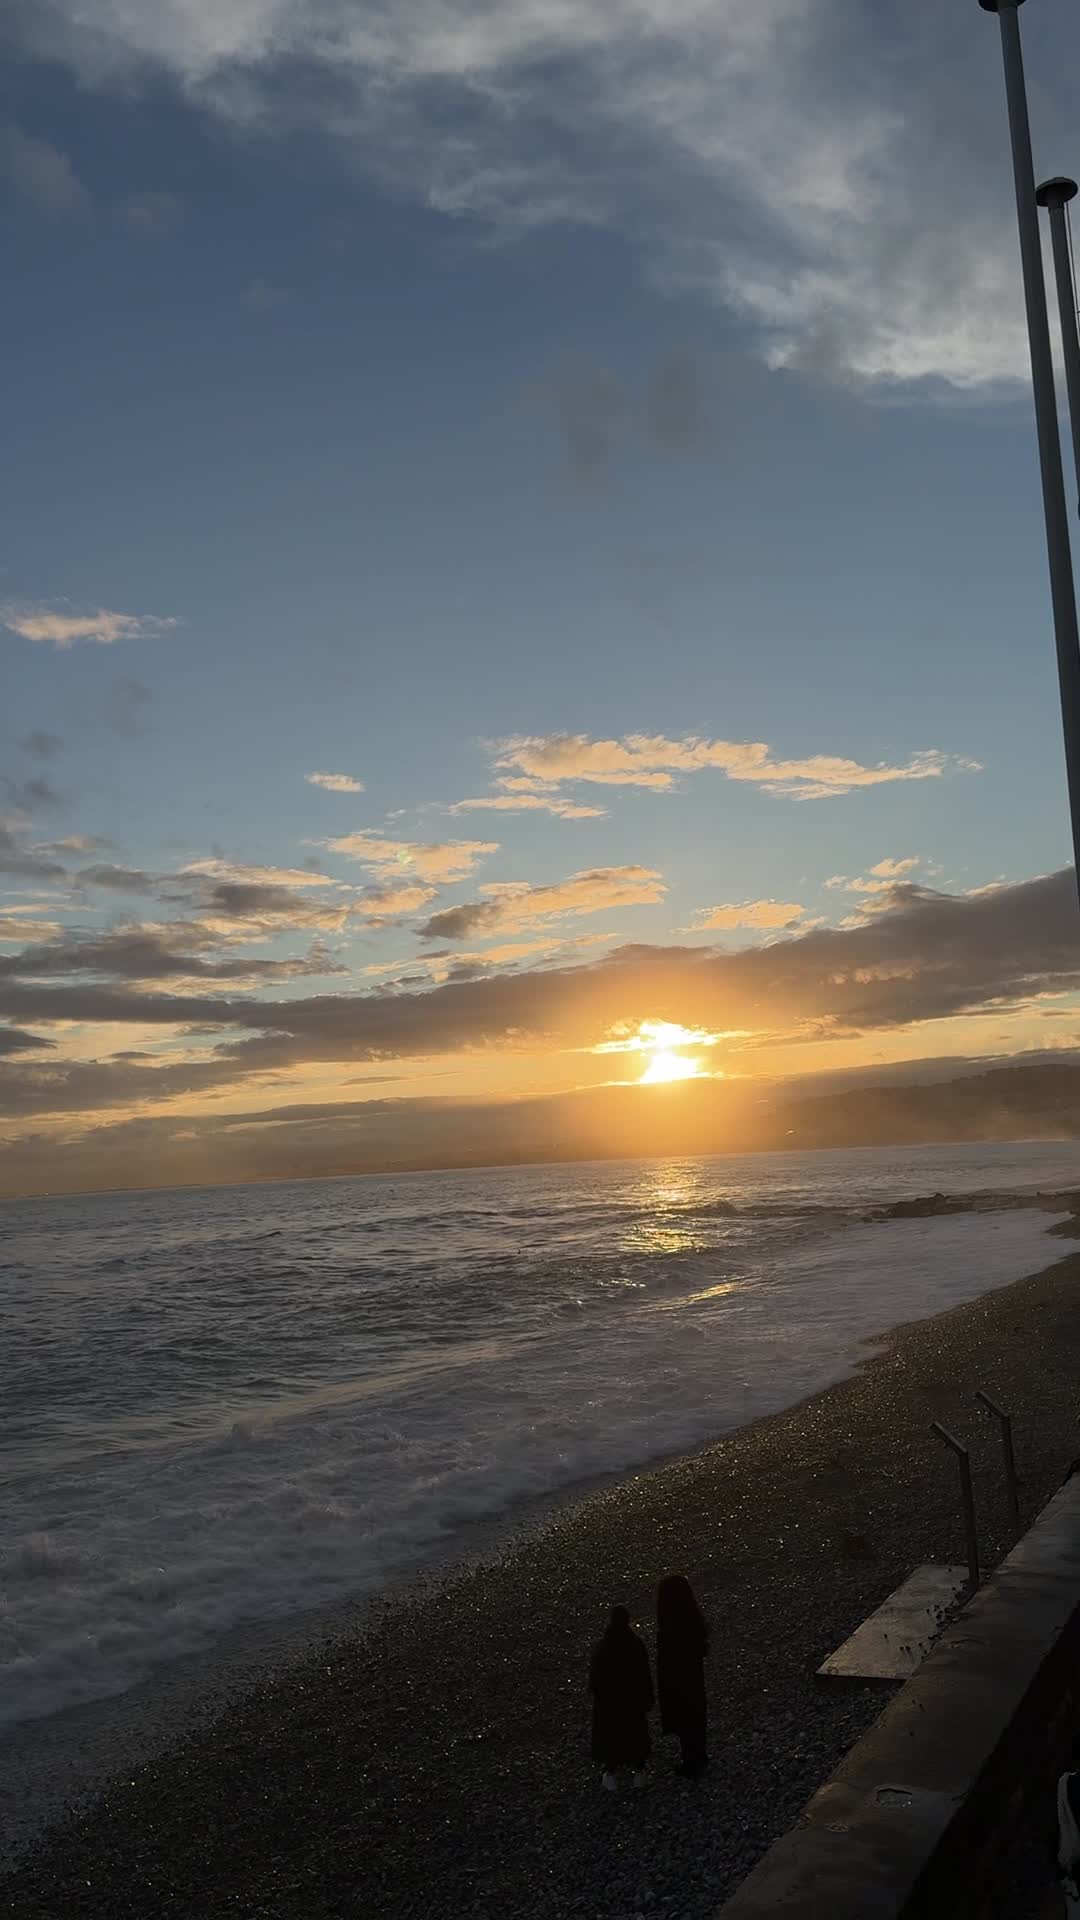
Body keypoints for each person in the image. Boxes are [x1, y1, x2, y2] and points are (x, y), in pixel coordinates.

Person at [589, 1604, 654, 1791]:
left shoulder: (602, 1647)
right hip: (633, 1702)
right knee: (636, 1736)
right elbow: (644, 1673)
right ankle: (640, 1774)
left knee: (610, 1739)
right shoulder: (636, 1644)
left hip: (609, 1704)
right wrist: (648, 1697)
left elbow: (595, 1679)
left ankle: (610, 1776)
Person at [656, 1574, 709, 1779]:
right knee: (696, 1718)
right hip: (694, 1679)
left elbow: (666, 1662)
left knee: (685, 1721)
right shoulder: (693, 1620)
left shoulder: (669, 1628)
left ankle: (692, 1765)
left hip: (677, 1682)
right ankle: (700, 1757)